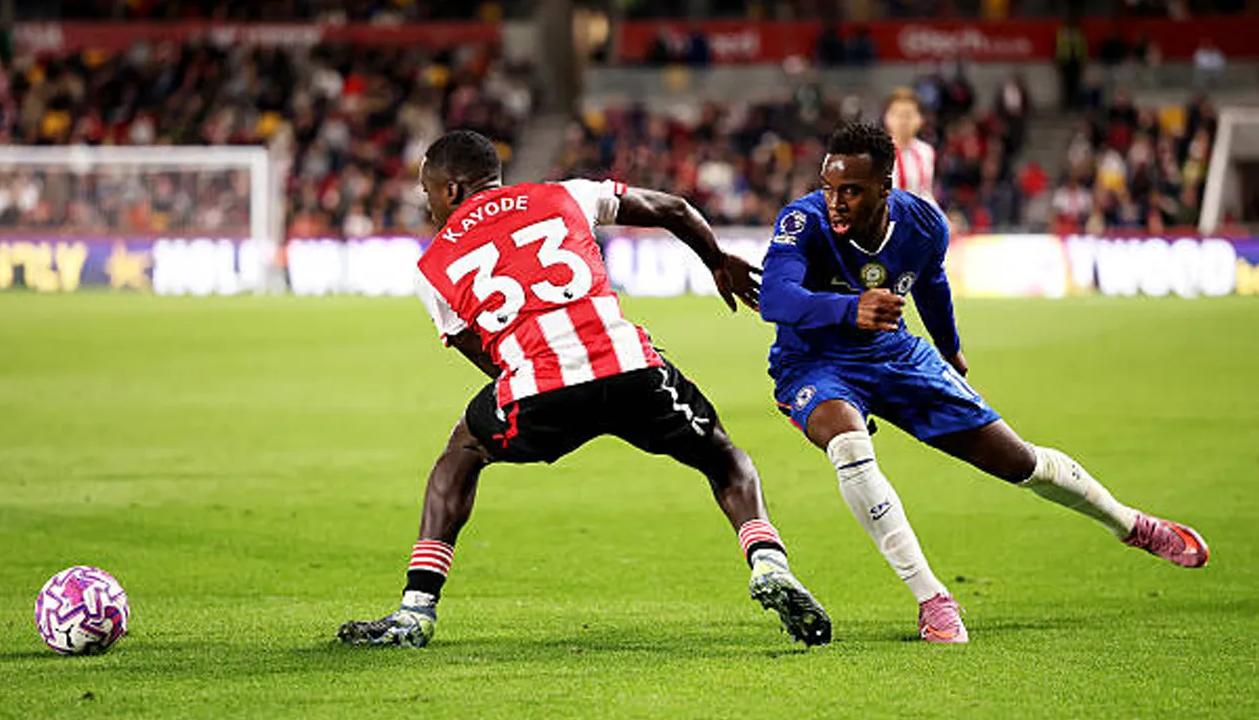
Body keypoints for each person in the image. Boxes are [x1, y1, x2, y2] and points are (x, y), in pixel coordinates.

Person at [337, 130, 832, 648]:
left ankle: (416, 610)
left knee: (462, 451)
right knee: (723, 457)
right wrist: (716, 260)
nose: (429, 204)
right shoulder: (563, 194)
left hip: (538, 389)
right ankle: (770, 565)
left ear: (454, 191)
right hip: (629, 368)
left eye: (429, 191)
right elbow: (674, 208)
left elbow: (491, 359)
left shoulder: (432, 267)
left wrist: (550, 394)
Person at [758, 122, 1209, 644]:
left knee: (1018, 462)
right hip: (814, 363)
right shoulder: (802, 220)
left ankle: (1130, 524)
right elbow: (776, 299)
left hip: (894, 353)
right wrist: (849, 307)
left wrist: (949, 350)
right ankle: (933, 600)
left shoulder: (923, 225)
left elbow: (930, 282)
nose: (834, 201)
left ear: (886, 187)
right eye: (828, 187)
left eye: (851, 191)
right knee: (848, 442)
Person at [881, 88, 935, 202]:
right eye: (898, 115)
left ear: (920, 119)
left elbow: (926, 193)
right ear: (887, 118)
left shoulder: (926, 151)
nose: (903, 121)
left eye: (909, 115)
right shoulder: (877, 152)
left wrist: (942, 219)